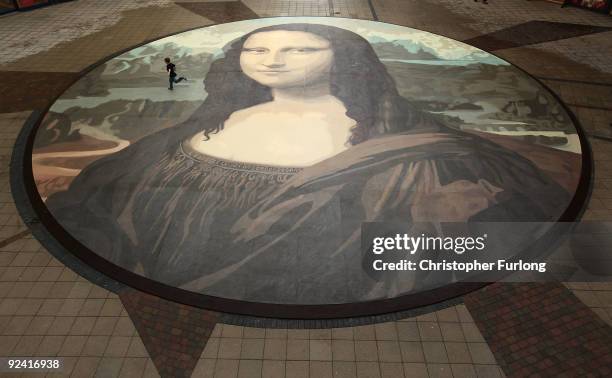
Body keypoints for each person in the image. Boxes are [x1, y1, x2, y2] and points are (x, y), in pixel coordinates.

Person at [46, 23, 571, 304]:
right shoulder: (207, 124)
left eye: (298, 49)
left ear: (342, 60)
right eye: (257, 49)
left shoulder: (408, 153)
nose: (272, 60)